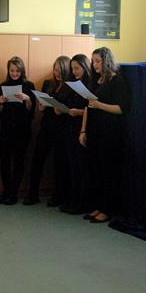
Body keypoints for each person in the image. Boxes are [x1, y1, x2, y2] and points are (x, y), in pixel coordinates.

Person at [80, 47, 130, 223]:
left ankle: (107, 209)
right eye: (93, 61)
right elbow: (88, 106)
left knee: (108, 172)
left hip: (110, 132)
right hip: (95, 130)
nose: (94, 65)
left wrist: (99, 105)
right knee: (96, 171)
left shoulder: (117, 81)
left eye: (98, 61)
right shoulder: (96, 80)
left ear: (106, 61)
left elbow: (122, 109)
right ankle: (98, 206)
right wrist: (83, 130)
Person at [23, 56, 72, 206]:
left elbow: (69, 109)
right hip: (46, 127)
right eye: (55, 70)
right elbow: (41, 107)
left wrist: (60, 109)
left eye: (60, 70)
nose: (57, 73)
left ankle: (58, 196)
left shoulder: (70, 87)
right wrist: (42, 106)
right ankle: (33, 194)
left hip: (61, 129)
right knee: (37, 160)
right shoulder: (48, 84)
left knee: (59, 163)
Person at [0, 56, 36, 205]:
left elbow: (32, 112)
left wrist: (27, 99)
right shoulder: (3, 86)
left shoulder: (29, 85)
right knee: (4, 162)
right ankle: (6, 191)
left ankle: (13, 193)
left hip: (22, 131)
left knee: (19, 162)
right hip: (6, 130)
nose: (14, 73)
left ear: (22, 71)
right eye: (12, 70)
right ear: (8, 70)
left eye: (17, 71)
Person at [60, 54, 93, 214]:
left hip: (82, 128)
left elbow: (90, 109)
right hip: (70, 127)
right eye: (72, 69)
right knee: (71, 166)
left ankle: (82, 202)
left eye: (77, 68)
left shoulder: (91, 85)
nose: (74, 72)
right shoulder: (72, 84)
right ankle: (72, 199)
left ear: (85, 67)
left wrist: (79, 112)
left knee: (81, 167)